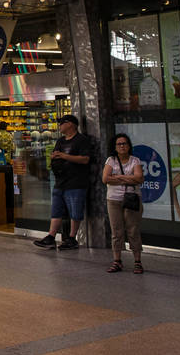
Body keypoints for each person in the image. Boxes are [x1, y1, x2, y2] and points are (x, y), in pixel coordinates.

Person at [32, 115, 95, 250]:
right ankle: (51, 236)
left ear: (71, 124)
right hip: (60, 181)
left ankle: (72, 238)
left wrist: (64, 156)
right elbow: (56, 154)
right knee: (56, 210)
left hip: (76, 182)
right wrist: (55, 156)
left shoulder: (81, 140)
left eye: (62, 123)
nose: (59, 125)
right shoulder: (60, 141)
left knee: (75, 211)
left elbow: (85, 159)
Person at [103, 133, 145, 273]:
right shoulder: (111, 160)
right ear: (115, 147)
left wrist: (118, 177)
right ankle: (117, 261)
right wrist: (129, 178)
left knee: (133, 230)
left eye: (125, 143)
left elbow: (139, 178)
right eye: (119, 144)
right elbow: (106, 179)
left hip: (132, 200)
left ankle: (137, 261)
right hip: (114, 200)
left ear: (129, 146)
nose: (122, 146)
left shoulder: (135, 160)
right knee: (116, 231)